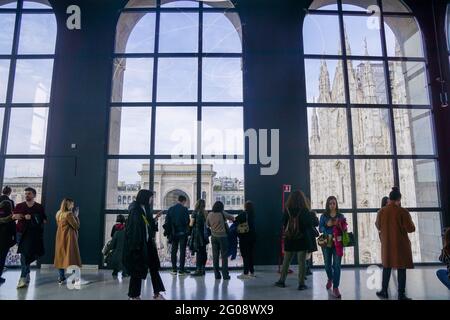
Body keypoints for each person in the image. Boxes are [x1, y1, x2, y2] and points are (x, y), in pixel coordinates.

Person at [123, 189, 165, 300]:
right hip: (140, 245)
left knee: (154, 267)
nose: (152, 200)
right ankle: (134, 295)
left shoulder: (144, 208)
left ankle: (156, 293)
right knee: (137, 270)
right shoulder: (135, 210)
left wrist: (155, 219)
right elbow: (134, 230)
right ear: (145, 197)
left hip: (147, 243)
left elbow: (147, 224)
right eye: (151, 198)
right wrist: (136, 246)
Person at [375, 187, 415, 300]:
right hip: (400, 246)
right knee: (401, 269)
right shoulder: (403, 211)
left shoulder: (381, 211)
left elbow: (378, 225)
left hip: (387, 245)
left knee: (386, 267)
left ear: (390, 198)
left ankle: (384, 291)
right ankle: (401, 294)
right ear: (399, 199)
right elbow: (411, 228)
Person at [275, 190, 314, 290]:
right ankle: (301, 284)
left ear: (291, 199)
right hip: (302, 239)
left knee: (286, 261)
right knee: (302, 262)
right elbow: (309, 224)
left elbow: (283, 222)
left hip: (289, 239)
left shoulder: (287, 209)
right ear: (302, 199)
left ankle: (281, 281)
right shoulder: (304, 210)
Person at [14, 187, 47, 289]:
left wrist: (33, 217)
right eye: (26, 193)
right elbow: (13, 216)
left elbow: (44, 220)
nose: (26, 195)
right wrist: (21, 216)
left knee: (29, 254)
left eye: (29, 193)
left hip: (33, 234)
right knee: (24, 254)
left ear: (34, 195)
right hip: (20, 233)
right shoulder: (20, 205)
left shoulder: (39, 207)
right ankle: (23, 277)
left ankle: (26, 274)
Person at [319, 196, 348, 299]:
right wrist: (327, 224)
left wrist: (339, 224)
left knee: (337, 265)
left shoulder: (341, 216)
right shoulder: (323, 216)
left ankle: (336, 287)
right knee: (327, 265)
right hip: (326, 242)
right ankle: (330, 278)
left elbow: (345, 228)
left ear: (336, 204)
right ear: (327, 204)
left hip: (338, 243)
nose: (332, 205)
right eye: (330, 203)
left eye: (334, 203)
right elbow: (320, 229)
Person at [54, 198, 81, 284]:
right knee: (72, 257)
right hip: (69, 238)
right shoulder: (69, 214)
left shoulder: (58, 213)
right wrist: (76, 216)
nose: (73, 206)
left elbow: (59, 225)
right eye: (72, 204)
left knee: (60, 257)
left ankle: (61, 278)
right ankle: (75, 278)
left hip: (60, 237)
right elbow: (76, 226)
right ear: (68, 205)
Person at [206, 201, 235, 280]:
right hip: (223, 237)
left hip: (214, 237)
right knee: (224, 257)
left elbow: (208, 224)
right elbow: (232, 217)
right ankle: (225, 275)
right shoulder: (222, 213)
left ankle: (217, 275)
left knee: (215, 257)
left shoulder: (210, 214)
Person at [166, 195, 190, 275]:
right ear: (183, 201)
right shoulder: (185, 209)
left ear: (178, 200)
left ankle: (174, 269)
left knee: (174, 251)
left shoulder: (171, 209)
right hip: (183, 233)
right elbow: (187, 221)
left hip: (174, 233)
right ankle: (181, 270)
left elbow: (167, 221)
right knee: (182, 251)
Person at [0, 200, 21, 284]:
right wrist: (13, 242)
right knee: (1, 260)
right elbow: (13, 229)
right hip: (5, 241)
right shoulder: (10, 216)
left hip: (5, 241)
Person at [235, 201, 256, 279]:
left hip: (244, 237)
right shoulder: (253, 214)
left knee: (245, 255)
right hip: (252, 237)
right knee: (250, 255)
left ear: (245, 206)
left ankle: (245, 273)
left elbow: (235, 220)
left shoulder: (244, 214)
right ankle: (252, 272)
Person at [189, 199, 209, 277]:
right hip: (204, 234)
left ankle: (198, 269)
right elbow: (207, 224)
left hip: (197, 233)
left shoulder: (195, 212)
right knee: (203, 251)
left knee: (199, 252)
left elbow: (191, 224)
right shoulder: (205, 212)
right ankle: (203, 268)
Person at [305, 210, 319, 276]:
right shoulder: (312, 218)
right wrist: (315, 216)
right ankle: (307, 270)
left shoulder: (306, 218)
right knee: (308, 255)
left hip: (306, 239)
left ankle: (307, 270)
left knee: (306, 255)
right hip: (310, 239)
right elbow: (317, 223)